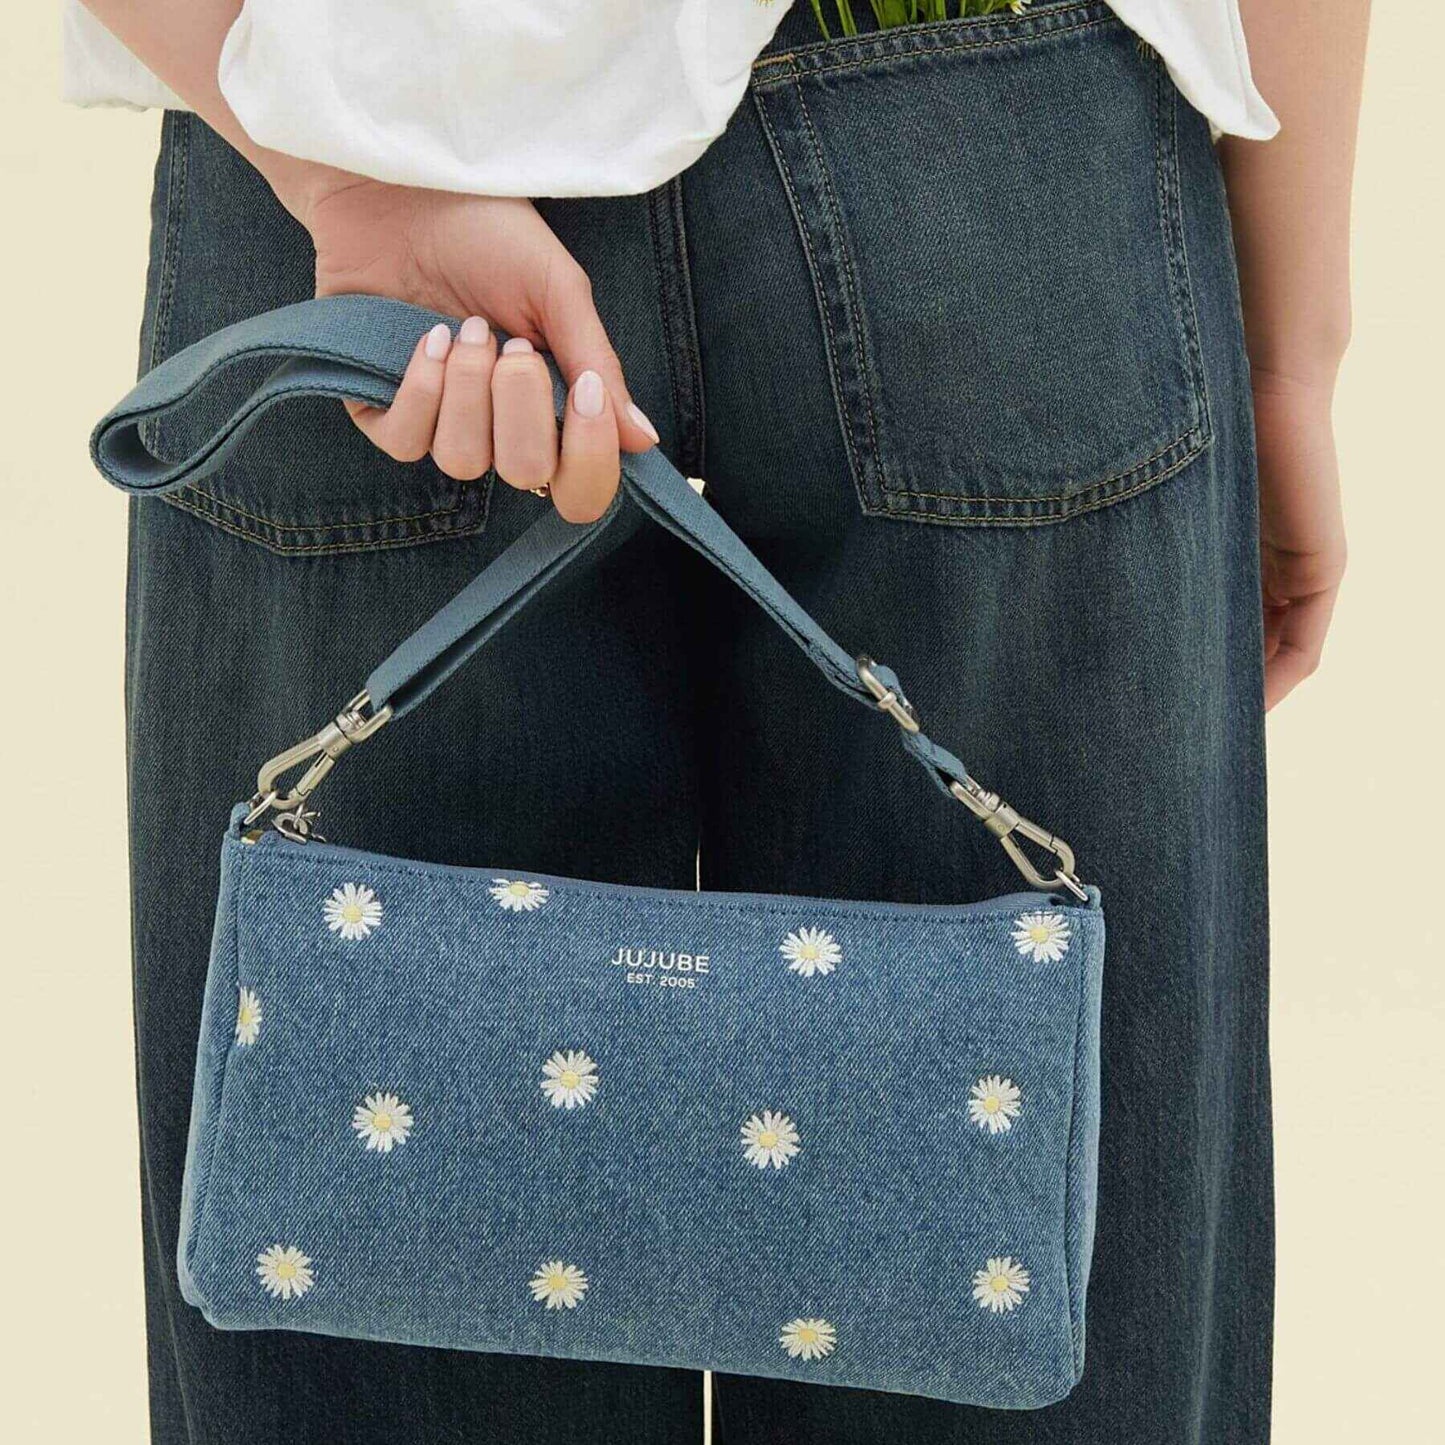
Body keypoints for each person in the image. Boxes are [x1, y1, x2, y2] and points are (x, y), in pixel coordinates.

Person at [70, 2, 1368, 1442]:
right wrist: (1289, 350)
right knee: (1025, 1296)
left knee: (357, 1307)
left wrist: (343, 174)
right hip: (993, 163)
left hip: (354, 147)